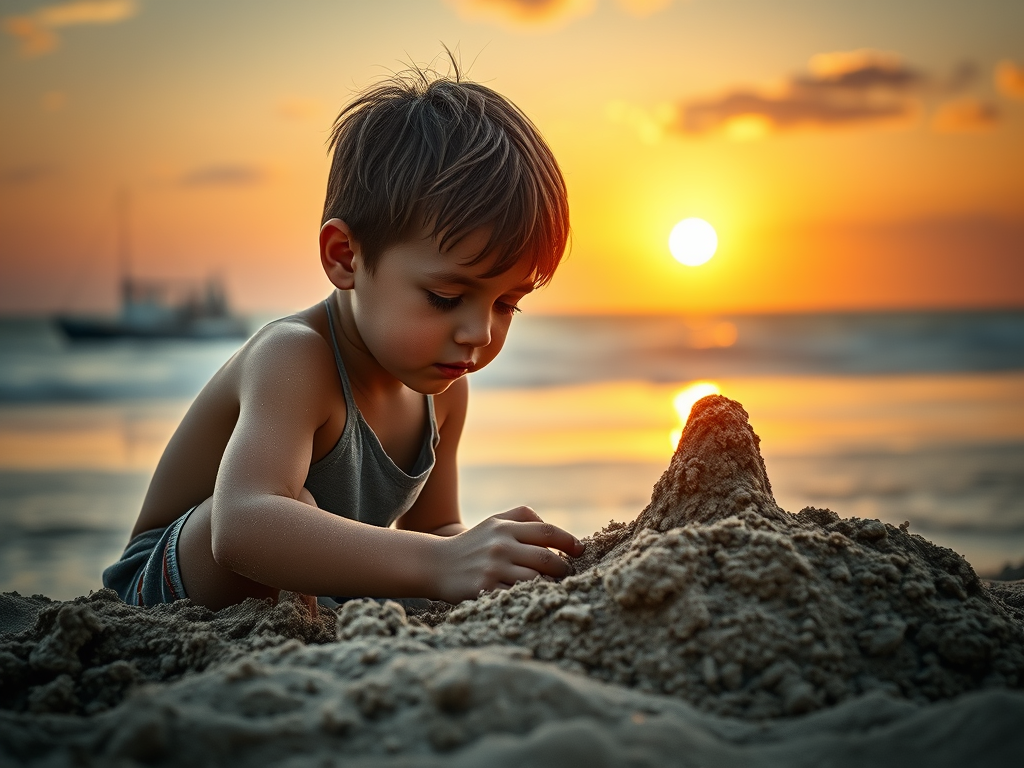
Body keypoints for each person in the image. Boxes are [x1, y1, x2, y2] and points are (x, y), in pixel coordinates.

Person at [102, 60, 583, 612]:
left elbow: (434, 526)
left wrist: (481, 553)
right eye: (446, 298)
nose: (479, 333)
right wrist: (440, 562)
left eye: (507, 303)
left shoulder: (445, 388)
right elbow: (239, 526)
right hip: (165, 581)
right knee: (287, 504)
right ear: (345, 257)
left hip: (307, 599)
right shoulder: (296, 356)